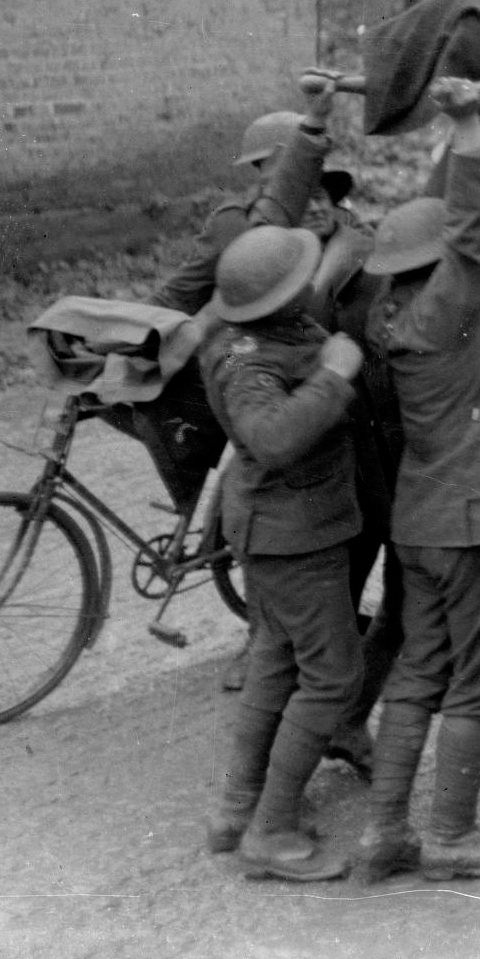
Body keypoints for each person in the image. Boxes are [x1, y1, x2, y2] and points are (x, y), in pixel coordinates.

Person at [350, 76, 480, 883]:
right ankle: (452, 836)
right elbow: (471, 229)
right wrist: (470, 128)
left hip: (427, 520)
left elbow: (455, 234)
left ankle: (385, 833)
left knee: (419, 670)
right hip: (478, 517)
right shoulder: (445, 310)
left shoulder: (394, 314)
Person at [155, 73, 356, 703]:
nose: (280, 178)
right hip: (262, 382)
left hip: (315, 390)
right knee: (257, 485)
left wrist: (316, 124)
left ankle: (287, 635)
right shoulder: (245, 227)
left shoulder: (344, 225)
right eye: (268, 167)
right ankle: (263, 639)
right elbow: (185, 289)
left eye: (286, 164)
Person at [200, 223, 369, 882]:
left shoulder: (266, 331)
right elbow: (271, 437)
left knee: (274, 658)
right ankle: (271, 829)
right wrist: (332, 378)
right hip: (292, 533)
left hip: (277, 527)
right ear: (278, 298)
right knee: (333, 674)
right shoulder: (248, 362)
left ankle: (238, 808)